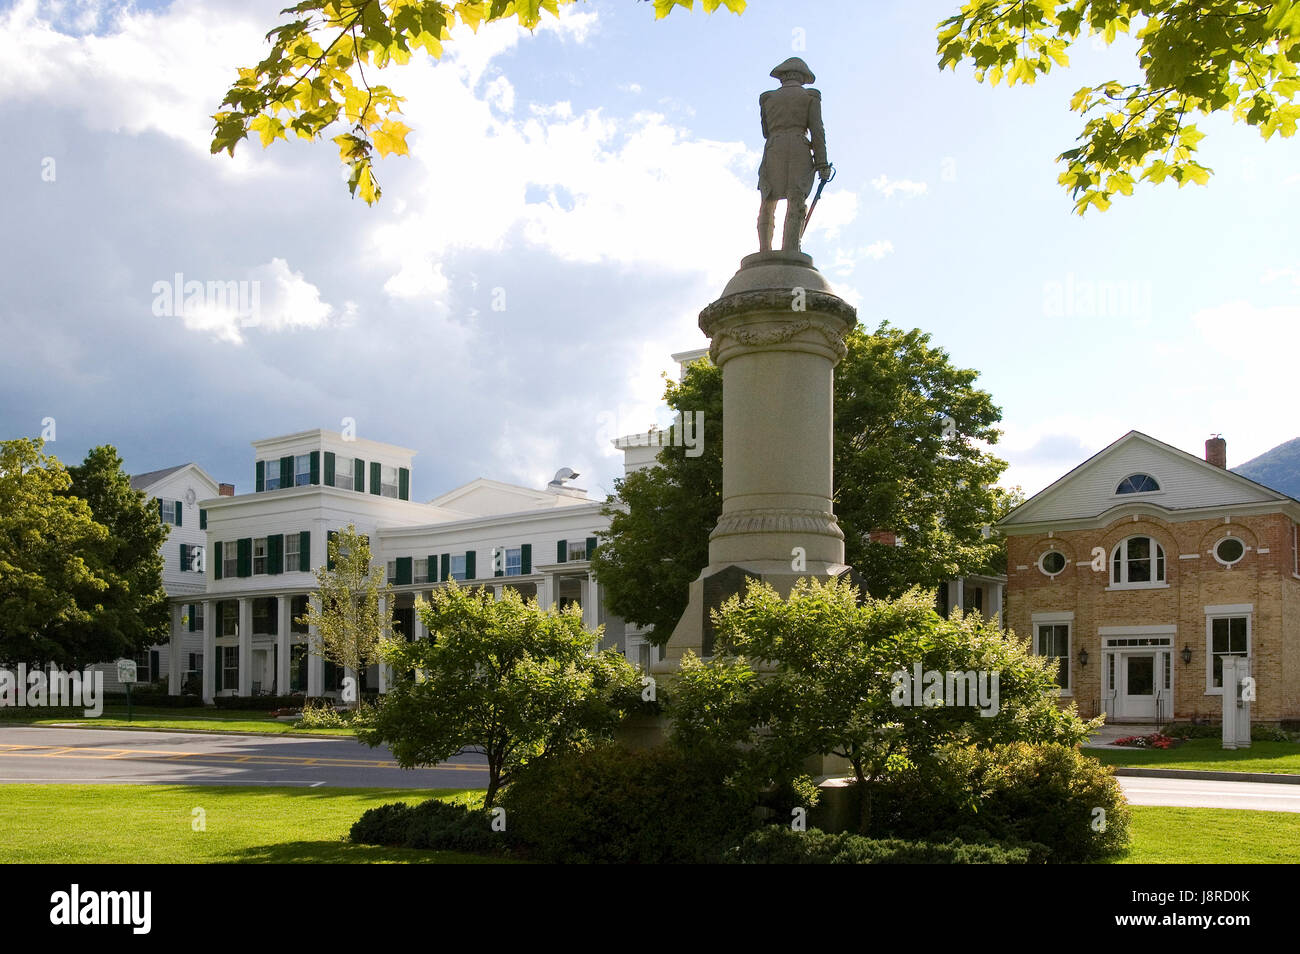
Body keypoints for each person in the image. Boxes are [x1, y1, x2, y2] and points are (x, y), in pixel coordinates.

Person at [757, 57, 831, 253]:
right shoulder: (810, 97)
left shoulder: (768, 98)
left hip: (774, 147)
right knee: (796, 199)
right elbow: (817, 131)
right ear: (802, 77)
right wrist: (822, 163)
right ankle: (791, 249)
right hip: (799, 147)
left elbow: (765, 131)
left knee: (768, 199)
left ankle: (764, 250)